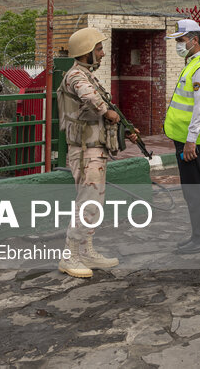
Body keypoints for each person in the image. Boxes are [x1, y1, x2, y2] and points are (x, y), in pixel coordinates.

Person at [56, 27, 132, 278]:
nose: (101, 53)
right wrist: (105, 111)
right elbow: (87, 96)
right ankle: (69, 256)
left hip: (94, 150)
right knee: (87, 204)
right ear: (86, 52)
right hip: (84, 150)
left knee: (94, 205)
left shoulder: (88, 75)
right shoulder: (76, 76)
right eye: (98, 49)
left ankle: (86, 250)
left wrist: (124, 127)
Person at [164, 18, 200, 254]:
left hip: (194, 142)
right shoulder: (193, 63)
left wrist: (191, 140)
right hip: (187, 139)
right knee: (191, 189)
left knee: (196, 190)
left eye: (181, 40)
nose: (178, 44)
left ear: (194, 40)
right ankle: (198, 235)